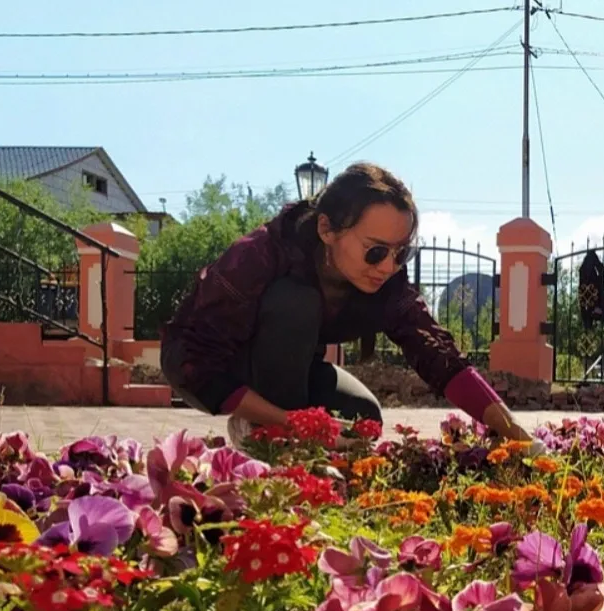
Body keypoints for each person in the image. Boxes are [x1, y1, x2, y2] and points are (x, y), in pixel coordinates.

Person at [161, 163, 535, 447]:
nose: (388, 266)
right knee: (296, 302)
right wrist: (288, 423)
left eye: (400, 252)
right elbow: (191, 358)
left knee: (363, 418)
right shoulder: (258, 256)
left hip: (296, 371)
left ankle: (284, 427)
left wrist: (515, 432)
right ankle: (263, 432)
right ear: (327, 229)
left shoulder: (388, 282)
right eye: (375, 251)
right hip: (230, 368)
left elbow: (439, 354)